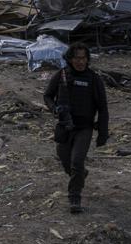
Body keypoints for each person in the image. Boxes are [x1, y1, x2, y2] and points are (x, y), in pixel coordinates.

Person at [43, 44, 109, 214]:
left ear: (87, 59)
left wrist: (103, 132)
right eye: (77, 58)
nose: (80, 62)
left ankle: (74, 197)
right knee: (66, 161)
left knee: (77, 161)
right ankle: (80, 175)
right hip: (65, 126)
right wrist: (54, 108)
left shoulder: (94, 79)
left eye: (83, 58)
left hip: (84, 128)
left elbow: (103, 107)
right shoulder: (61, 75)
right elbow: (47, 95)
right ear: (70, 59)